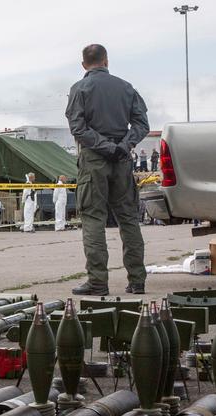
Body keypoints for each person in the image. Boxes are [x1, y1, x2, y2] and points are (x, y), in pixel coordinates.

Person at [65, 43, 149, 296]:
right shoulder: (125, 87)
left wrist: (104, 146)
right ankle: (137, 280)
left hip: (94, 160)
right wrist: (123, 145)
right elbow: (141, 123)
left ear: (83, 64)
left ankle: (98, 281)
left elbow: (77, 128)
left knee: (93, 219)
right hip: (121, 159)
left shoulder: (79, 88)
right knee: (128, 219)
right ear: (106, 61)